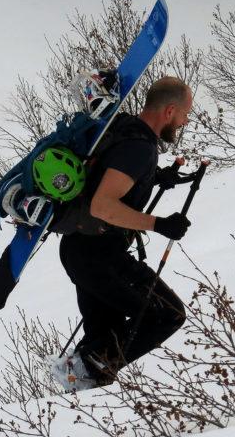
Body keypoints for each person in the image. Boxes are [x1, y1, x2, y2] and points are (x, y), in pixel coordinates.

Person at [54, 76, 194, 391]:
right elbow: (102, 206)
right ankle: (82, 373)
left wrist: (156, 178)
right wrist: (159, 224)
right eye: (186, 114)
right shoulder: (138, 146)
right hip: (97, 254)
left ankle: (75, 389)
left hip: (82, 250)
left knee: (105, 336)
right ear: (170, 111)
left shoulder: (124, 129)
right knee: (167, 314)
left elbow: (108, 178)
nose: (185, 121)